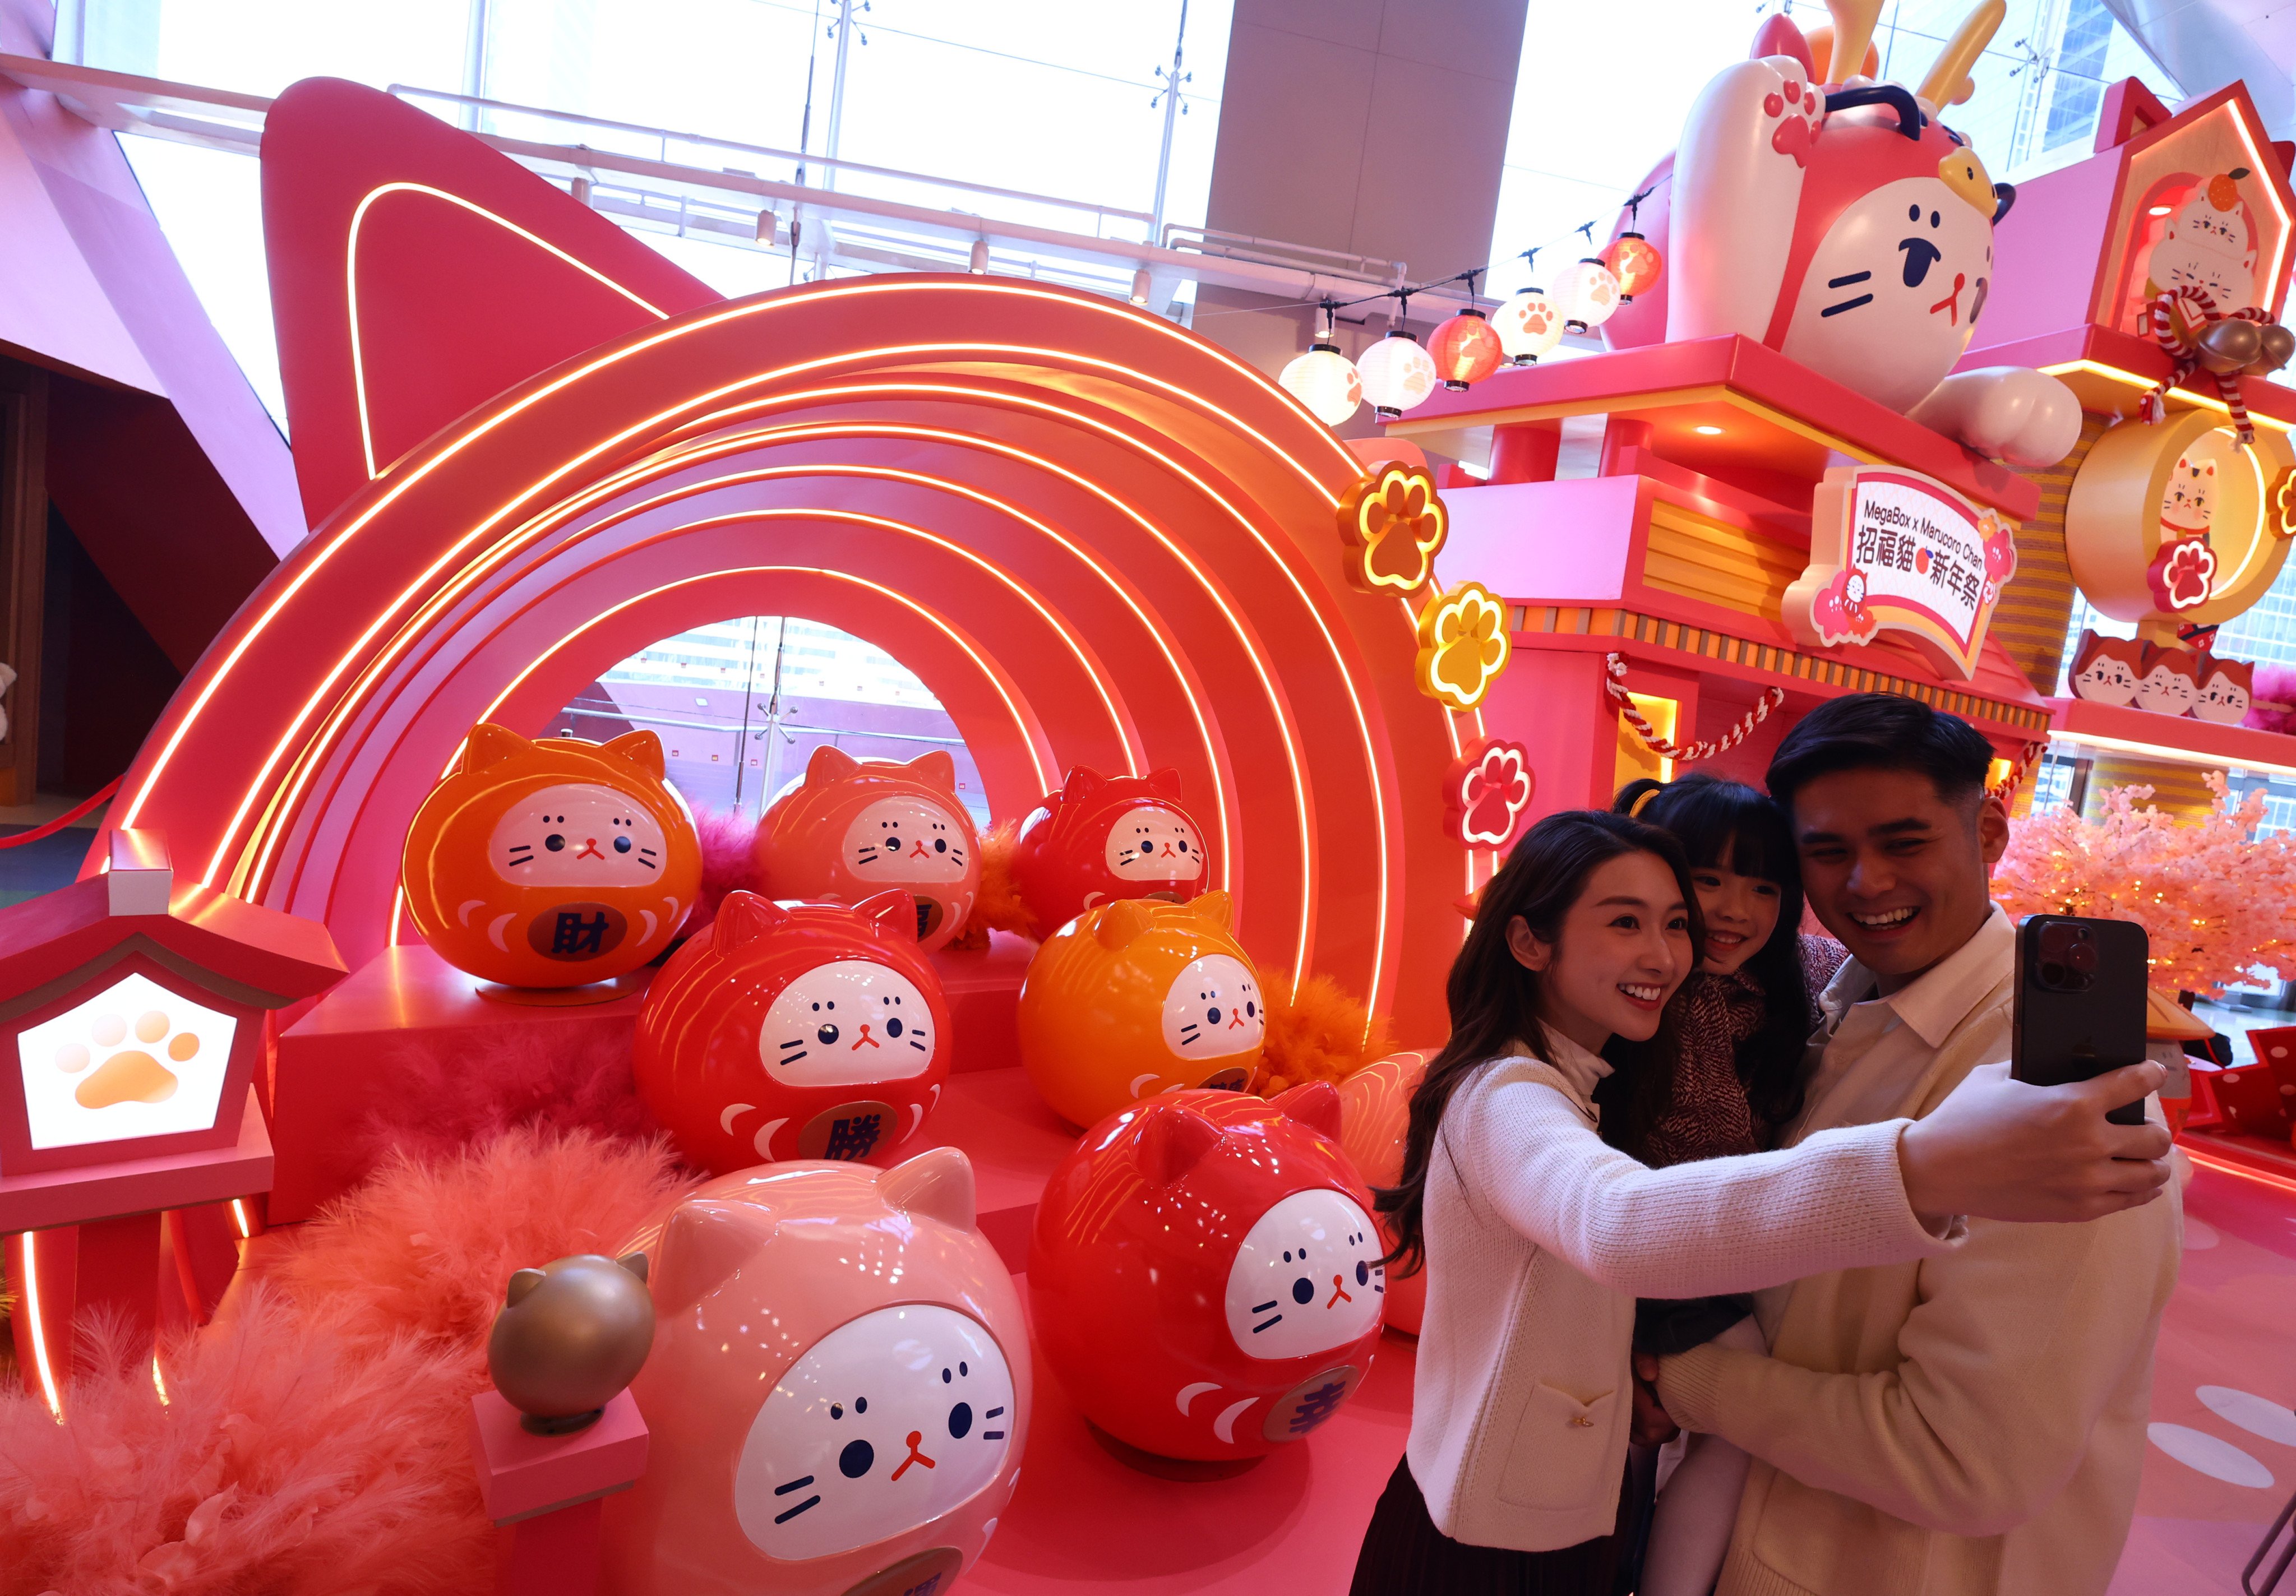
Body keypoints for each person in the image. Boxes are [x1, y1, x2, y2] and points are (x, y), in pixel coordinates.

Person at [1350, 807, 2172, 1596]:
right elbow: (1614, 1221)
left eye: (1676, 924)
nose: (1665, 956)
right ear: (1530, 941)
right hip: (1491, 1538)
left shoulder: (1590, 1082)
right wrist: (1923, 1168)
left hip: (1551, 1509)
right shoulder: (1506, 1094)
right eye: (1624, 923)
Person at [1640, 693, 2184, 1595]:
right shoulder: (1823, 1019)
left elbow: (1966, 1458)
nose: (1866, 883)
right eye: (1827, 853)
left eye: (1904, 843)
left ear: (1989, 833)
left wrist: (1688, 1383)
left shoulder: (2063, 1095)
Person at [1599, 775, 1845, 1596]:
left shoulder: (1787, 979)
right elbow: (1716, 1148)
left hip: (1709, 1248)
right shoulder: (1679, 987)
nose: (1736, 908)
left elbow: (1833, 956)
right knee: (1711, 1431)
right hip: (1661, 1240)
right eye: (1709, 880)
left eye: (1764, 886)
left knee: (1647, 1438)